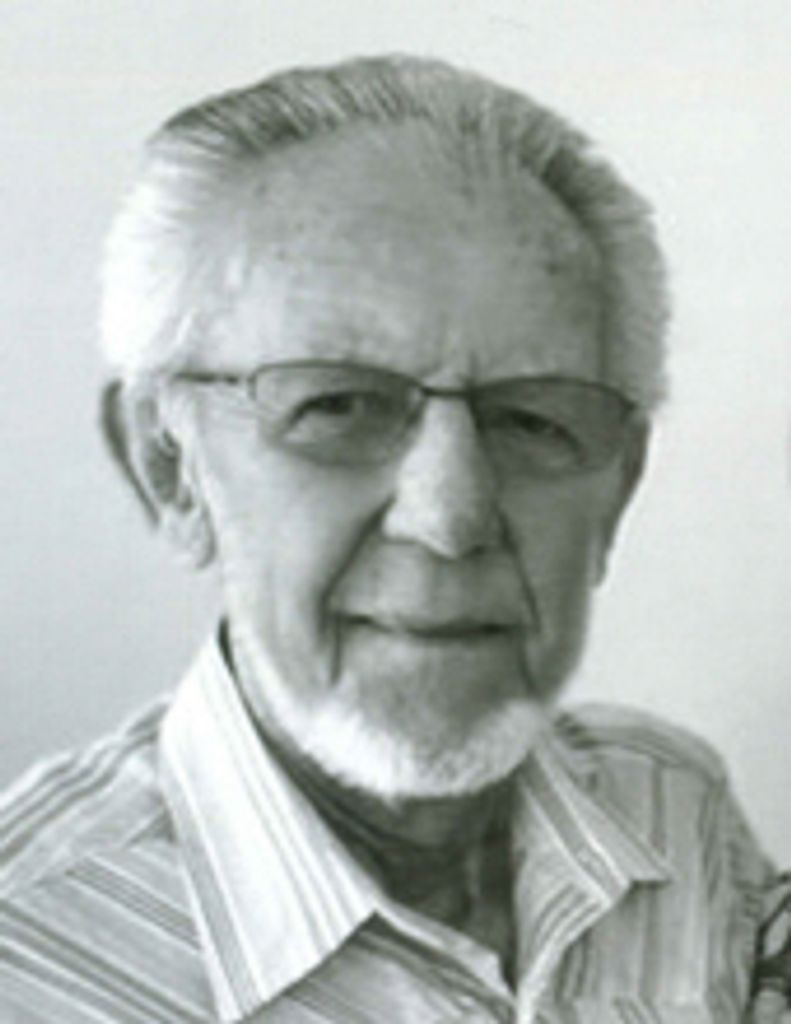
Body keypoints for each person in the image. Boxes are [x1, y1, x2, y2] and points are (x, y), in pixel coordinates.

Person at [0, 54, 774, 1022]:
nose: (449, 521)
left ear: (615, 491)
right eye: (336, 406)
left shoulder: (675, 813)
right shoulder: (27, 966)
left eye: (533, 421)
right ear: (170, 469)